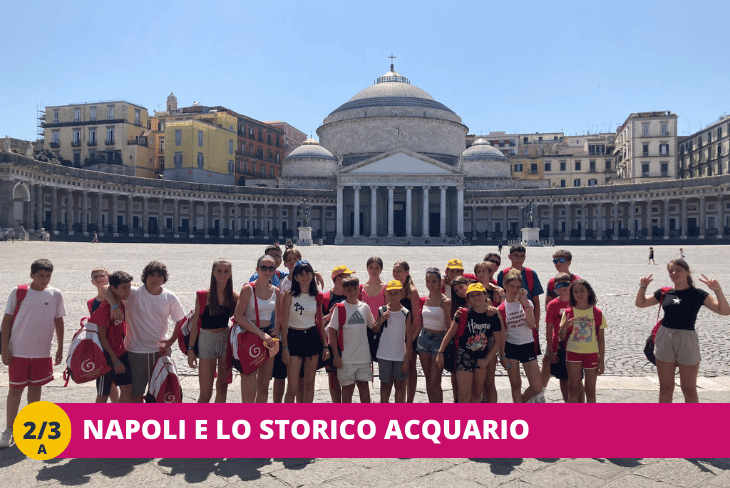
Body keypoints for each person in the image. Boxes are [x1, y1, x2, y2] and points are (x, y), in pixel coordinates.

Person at [636, 259, 730, 402]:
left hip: (687, 339)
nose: (674, 273)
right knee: (665, 388)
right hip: (665, 337)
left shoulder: (698, 294)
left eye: (678, 270)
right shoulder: (664, 292)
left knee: (689, 388)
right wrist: (643, 287)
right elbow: (640, 304)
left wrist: (717, 290)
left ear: (687, 272)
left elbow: (724, 311)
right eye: (671, 271)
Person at [1, 259, 65, 448]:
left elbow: (59, 321)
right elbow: (6, 322)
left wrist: (60, 347)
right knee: (15, 390)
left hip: (42, 352)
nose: (44, 279)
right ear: (32, 275)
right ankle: (9, 429)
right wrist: (5, 349)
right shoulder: (19, 292)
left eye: (48, 275)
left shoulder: (55, 294)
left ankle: (30, 426)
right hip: (19, 351)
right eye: (40, 275)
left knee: (35, 390)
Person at [107, 261, 185, 403]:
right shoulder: (133, 293)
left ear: (164, 278)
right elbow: (108, 289)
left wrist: (171, 341)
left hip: (160, 352)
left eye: (159, 275)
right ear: (145, 277)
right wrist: (113, 306)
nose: (155, 279)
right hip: (136, 352)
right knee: (136, 394)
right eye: (152, 275)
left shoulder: (170, 297)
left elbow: (181, 320)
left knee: (161, 392)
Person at [437, 283, 502, 403]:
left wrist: (487, 360)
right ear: (468, 298)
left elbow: (498, 341)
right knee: (464, 394)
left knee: (477, 394)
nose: (476, 297)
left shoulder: (492, 316)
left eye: (479, 294)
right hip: (464, 355)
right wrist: (440, 352)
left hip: (482, 357)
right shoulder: (463, 313)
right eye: (472, 295)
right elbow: (450, 333)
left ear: (485, 295)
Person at [497, 244, 545, 401]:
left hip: (528, 345)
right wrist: (501, 353)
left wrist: (525, 304)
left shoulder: (527, 303)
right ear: (504, 286)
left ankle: (523, 402)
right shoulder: (501, 309)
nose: (515, 289)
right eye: (511, 286)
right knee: (515, 384)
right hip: (511, 348)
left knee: (537, 386)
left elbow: (531, 325)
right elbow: (502, 334)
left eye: (518, 286)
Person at [187, 260, 237, 403]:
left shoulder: (234, 297)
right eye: (219, 271)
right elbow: (196, 323)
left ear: (230, 274)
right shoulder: (203, 296)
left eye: (226, 271)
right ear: (213, 273)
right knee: (205, 393)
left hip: (225, 340)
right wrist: (191, 349)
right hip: (206, 341)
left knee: (222, 388)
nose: (222, 274)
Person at [233, 255, 282, 403]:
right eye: (264, 267)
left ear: (275, 270)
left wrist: (277, 330)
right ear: (257, 269)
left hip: (267, 335)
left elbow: (279, 314)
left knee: (264, 385)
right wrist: (260, 333)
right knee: (249, 384)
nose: (267, 271)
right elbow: (238, 316)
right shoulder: (248, 289)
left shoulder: (276, 291)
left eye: (271, 268)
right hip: (250, 334)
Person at [281, 260, 329, 403]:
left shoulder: (316, 295)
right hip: (294, 337)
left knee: (309, 384)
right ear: (295, 277)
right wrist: (285, 347)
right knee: (293, 387)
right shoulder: (289, 295)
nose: (305, 277)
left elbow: (320, 322)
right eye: (301, 274)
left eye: (308, 273)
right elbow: (284, 323)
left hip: (312, 337)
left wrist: (325, 345)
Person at [328, 276, 376, 403]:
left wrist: (385, 316)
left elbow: (374, 327)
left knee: (364, 387)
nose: (353, 292)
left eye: (355, 289)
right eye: (349, 290)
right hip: (346, 358)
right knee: (347, 389)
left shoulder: (365, 307)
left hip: (363, 356)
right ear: (344, 291)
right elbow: (332, 331)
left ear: (359, 290)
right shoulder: (340, 308)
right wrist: (336, 355)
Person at [558, 279, 606, 403]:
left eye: (582, 290)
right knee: (574, 389)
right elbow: (562, 337)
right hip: (573, 353)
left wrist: (601, 361)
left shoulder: (597, 313)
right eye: (575, 291)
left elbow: (601, 339)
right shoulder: (568, 312)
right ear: (572, 294)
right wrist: (563, 329)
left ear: (589, 292)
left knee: (590, 391)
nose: (579, 294)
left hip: (591, 354)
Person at [93, 271, 134, 403]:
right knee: (103, 394)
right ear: (114, 288)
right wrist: (115, 361)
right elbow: (102, 337)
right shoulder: (105, 309)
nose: (128, 291)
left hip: (121, 353)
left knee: (127, 389)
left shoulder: (120, 303)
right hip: (106, 358)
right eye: (124, 288)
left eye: (129, 287)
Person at [545, 272, 583, 403]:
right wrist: (550, 350)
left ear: (571, 285)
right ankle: (567, 402)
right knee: (563, 378)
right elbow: (549, 329)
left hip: (577, 346)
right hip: (559, 346)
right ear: (555, 288)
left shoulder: (578, 302)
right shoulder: (552, 305)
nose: (563, 288)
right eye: (559, 285)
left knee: (578, 379)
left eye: (566, 284)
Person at [321, 265, 356, 403]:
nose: (350, 278)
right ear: (338, 279)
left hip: (350, 342)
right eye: (347, 276)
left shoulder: (353, 295)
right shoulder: (325, 298)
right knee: (333, 376)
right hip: (332, 342)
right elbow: (319, 322)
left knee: (349, 376)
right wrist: (329, 317)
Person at [376, 280, 413, 403]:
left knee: (400, 387)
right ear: (386, 294)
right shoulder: (382, 310)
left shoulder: (406, 313)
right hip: (384, 355)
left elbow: (408, 338)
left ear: (401, 293)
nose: (393, 296)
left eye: (396, 293)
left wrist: (407, 360)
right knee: (385, 387)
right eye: (391, 293)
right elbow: (375, 329)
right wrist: (381, 320)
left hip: (399, 356)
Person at [417, 267, 451, 403]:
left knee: (435, 381)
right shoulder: (424, 299)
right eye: (428, 281)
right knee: (428, 380)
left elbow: (449, 326)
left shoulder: (445, 301)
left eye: (434, 281)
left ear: (439, 282)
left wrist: (444, 349)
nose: (430, 284)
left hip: (439, 341)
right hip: (424, 338)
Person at [88, 267, 119, 402]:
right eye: (96, 277)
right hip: (101, 348)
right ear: (92, 282)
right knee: (104, 387)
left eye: (102, 275)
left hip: (118, 345)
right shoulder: (91, 303)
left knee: (118, 385)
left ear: (109, 278)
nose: (99, 278)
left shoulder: (119, 298)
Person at [393, 261, 421, 403]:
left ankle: (409, 401)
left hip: (410, 336)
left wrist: (410, 341)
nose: (396, 274)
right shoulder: (393, 288)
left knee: (410, 368)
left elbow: (417, 320)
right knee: (400, 370)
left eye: (399, 271)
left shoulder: (412, 291)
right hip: (396, 335)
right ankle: (400, 400)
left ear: (407, 272)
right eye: (394, 271)